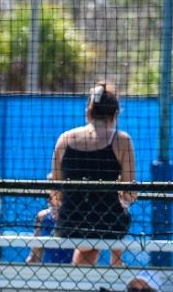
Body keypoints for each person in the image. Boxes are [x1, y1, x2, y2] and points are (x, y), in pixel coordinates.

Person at [50, 82, 135, 266]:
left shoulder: (64, 138)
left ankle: (79, 280)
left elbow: (55, 190)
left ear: (88, 113)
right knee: (121, 207)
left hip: (69, 225)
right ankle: (117, 263)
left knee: (89, 234)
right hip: (109, 226)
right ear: (115, 114)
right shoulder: (122, 140)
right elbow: (130, 192)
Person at [26, 175, 75, 264]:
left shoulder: (74, 216)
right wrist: (32, 258)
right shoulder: (42, 216)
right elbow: (36, 249)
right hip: (48, 268)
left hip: (72, 268)